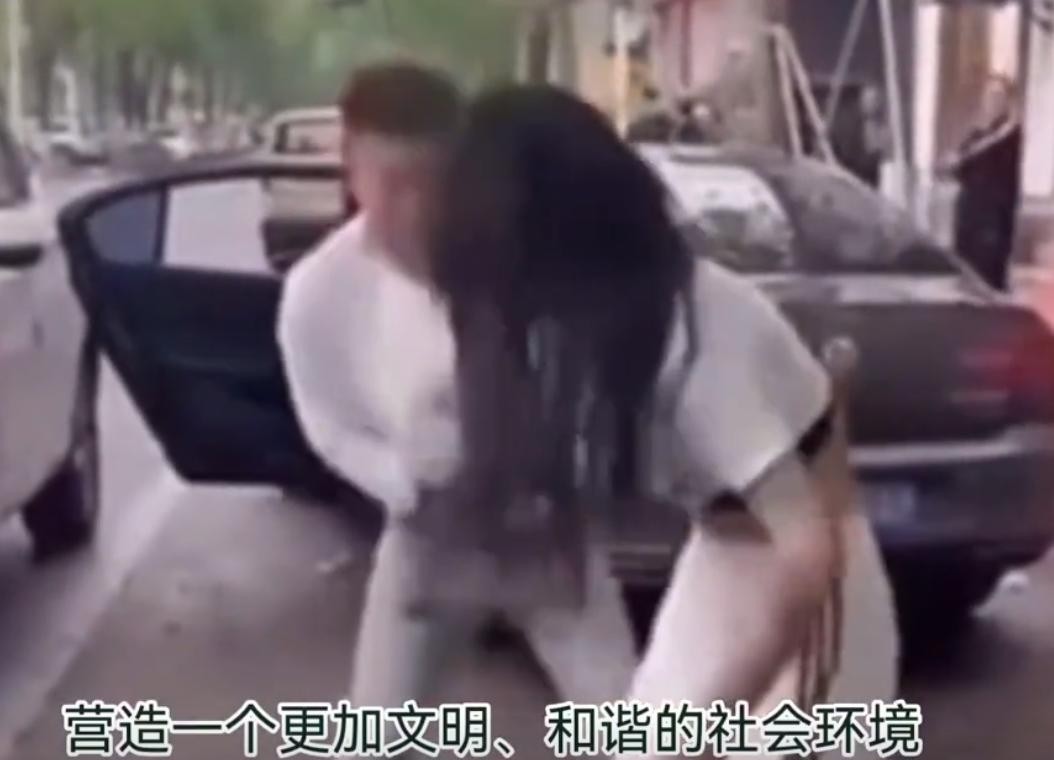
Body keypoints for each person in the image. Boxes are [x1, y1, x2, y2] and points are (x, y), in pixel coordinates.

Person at [428, 86, 898, 759]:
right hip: (723, 560)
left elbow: (808, 553)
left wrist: (720, 717)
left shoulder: (701, 345)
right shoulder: (594, 321)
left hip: (812, 596)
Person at [276, 63, 638, 747]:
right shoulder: (320, 292)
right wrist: (404, 476)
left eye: (434, 180)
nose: (415, 207)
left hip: (546, 529)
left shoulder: (527, 256)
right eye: (393, 183)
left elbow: (600, 367)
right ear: (351, 167)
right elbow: (326, 425)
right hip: (426, 539)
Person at [941, 74, 1023, 290]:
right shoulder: (976, 134)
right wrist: (953, 163)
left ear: (1007, 102)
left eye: (998, 96)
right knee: (966, 275)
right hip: (968, 215)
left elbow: (988, 164)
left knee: (988, 280)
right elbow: (958, 169)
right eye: (989, 96)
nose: (992, 101)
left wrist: (961, 159)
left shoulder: (1009, 134)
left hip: (992, 221)